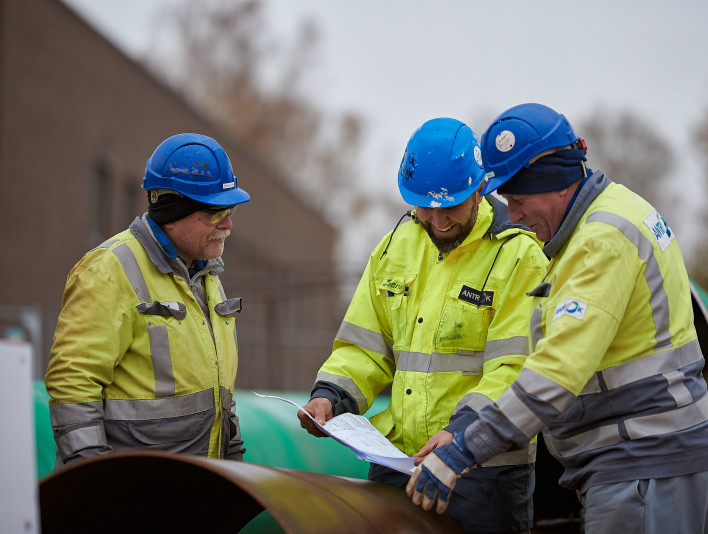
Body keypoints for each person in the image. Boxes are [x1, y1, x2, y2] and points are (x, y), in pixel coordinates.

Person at [408, 103, 708, 534]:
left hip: (646, 463)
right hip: (652, 459)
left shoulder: (600, 241)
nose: (515, 215)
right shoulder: (612, 215)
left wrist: (466, 449)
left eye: (518, 200)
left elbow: (557, 371)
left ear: (556, 183)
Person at [297, 118, 549, 534]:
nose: (437, 221)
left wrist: (462, 435)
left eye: (450, 206)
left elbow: (516, 370)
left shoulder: (520, 257)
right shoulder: (395, 246)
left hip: (482, 473)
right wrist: (332, 396)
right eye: (424, 207)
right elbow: (363, 346)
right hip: (397, 463)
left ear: (480, 189)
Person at [46, 133, 249, 468]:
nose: (228, 225)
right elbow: (73, 384)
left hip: (197, 490)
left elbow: (217, 393)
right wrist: (92, 472)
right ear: (173, 210)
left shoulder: (206, 277)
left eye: (230, 211)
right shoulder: (109, 269)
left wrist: (233, 459)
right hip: (128, 494)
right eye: (215, 213)